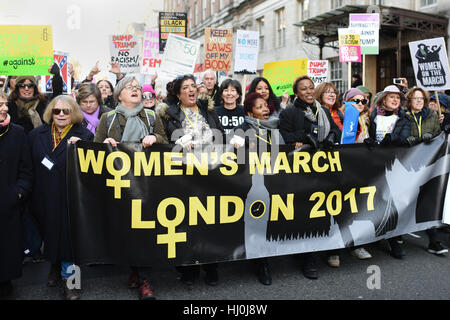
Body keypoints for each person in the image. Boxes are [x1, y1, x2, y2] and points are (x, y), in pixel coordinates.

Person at [94, 76, 167, 300]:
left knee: (143, 228)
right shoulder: (108, 118)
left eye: (137, 87)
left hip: (147, 183)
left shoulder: (152, 116)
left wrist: (155, 137)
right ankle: (134, 269)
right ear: (119, 94)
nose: (135, 90)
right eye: (130, 87)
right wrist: (105, 146)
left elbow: (165, 141)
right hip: (121, 184)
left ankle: (145, 280)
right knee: (127, 228)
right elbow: (95, 149)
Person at [158, 74, 224, 286]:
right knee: (187, 222)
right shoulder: (169, 116)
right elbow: (165, 144)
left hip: (210, 174)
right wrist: (178, 145)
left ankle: (211, 266)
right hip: (184, 176)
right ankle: (189, 267)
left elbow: (220, 135)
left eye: (193, 86)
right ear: (178, 94)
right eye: (185, 87)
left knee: (210, 221)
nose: (191, 90)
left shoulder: (208, 111)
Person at [28, 95, 93, 300]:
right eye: (57, 111)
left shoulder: (84, 135)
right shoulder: (36, 134)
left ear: (74, 113)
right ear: (50, 113)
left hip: (70, 195)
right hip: (44, 196)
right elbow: (30, 165)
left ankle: (72, 282)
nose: (62, 114)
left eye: (66, 111)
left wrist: (82, 147)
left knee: (71, 240)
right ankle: (55, 268)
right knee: (52, 235)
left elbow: (90, 168)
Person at [279, 75, 340, 279]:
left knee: (319, 211)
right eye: (303, 89)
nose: (308, 92)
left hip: (322, 168)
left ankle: (313, 252)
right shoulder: (289, 112)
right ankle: (307, 258)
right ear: (296, 93)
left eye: (311, 88)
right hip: (300, 169)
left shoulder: (321, 110)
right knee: (304, 212)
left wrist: (330, 137)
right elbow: (284, 136)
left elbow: (335, 130)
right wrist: (303, 138)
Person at [230, 92, 284, 285]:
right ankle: (262, 264)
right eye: (259, 107)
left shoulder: (276, 127)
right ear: (250, 113)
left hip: (276, 183)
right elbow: (233, 147)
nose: (265, 109)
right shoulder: (242, 128)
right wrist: (248, 144)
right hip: (253, 185)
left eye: (266, 106)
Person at [367, 85, 411, 259]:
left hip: (394, 166)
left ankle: (393, 241)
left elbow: (404, 137)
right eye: (391, 97)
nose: (395, 100)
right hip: (374, 165)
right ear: (383, 99)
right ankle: (373, 236)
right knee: (374, 201)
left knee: (391, 203)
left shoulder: (403, 119)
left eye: (398, 98)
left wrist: (390, 139)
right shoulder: (372, 116)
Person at [403, 88, 448, 255]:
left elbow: (439, 136)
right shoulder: (403, 116)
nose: (419, 101)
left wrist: (435, 135)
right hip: (407, 165)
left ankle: (433, 241)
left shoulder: (431, 115)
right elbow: (399, 135)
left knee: (427, 200)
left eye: (422, 98)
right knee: (405, 200)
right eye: (415, 98)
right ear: (409, 101)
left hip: (427, 165)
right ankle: (396, 236)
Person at [0, 92, 33, 299]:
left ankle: (5, 281)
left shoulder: (18, 132)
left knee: (7, 248)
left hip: (8, 202)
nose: (4, 108)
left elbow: (26, 170)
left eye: (4, 104)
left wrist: (18, 192)